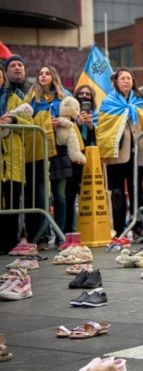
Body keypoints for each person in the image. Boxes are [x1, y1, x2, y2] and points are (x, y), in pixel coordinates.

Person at [96, 68, 143, 240]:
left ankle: (137, 228)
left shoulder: (141, 99)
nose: (126, 81)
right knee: (117, 193)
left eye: (129, 78)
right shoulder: (108, 102)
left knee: (137, 191)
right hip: (115, 154)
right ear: (116, 82)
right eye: (122, 78)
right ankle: (118, 229)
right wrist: (104, 151)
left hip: (138, 153)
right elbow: (104, 128)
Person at [24, 65, 75, 247]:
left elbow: (74, 117)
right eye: (40, 73)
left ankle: (60, 234)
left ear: (54, 77)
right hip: (39, 149)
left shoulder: (65, 96)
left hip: (60, 151)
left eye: (47, 73)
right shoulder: (31, 98)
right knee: (41, 196)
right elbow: (25, 120)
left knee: (59, 195)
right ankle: (43, 235)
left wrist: (63, 120)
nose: (43, 76)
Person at [0, 65, 32, 254]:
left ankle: (10, 242)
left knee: (12, 202)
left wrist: (14, 121)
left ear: (4, 79)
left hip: (12, 159)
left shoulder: (15, 99)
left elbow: (31, 123)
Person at [64, 84, 98, 233]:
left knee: (88, 195)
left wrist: (91, 126)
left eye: (88, 94)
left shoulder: (97, 113)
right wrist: (77, 123)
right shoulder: (69, 114)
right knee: (70, 195)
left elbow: (99, 138)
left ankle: (89, 229)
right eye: (81, 93)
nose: (84, 96)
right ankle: (68, 229)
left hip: (90, 159)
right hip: (73, 159)